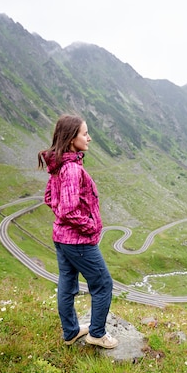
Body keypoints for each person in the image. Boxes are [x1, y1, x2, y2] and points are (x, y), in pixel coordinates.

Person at [38, 114, 118, 349]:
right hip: (77, 241)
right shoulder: (72, 169)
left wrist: (63, 218)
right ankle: (97, 333)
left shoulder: (58, 164)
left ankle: (71, 332)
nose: (89, 138)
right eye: (85, 133)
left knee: (67, 282)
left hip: (61, 238)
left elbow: (49, 198)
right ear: (72, 138)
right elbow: (69, 210)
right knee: (103, 284)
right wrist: (91, 226)